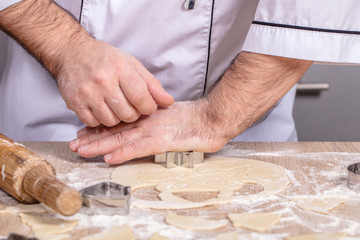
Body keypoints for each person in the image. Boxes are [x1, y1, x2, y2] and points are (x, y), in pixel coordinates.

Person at [0, 1, 359, 164]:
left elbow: (313, 9)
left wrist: (216, 118)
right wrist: (65, 47)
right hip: (55, 127)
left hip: (240, 133)